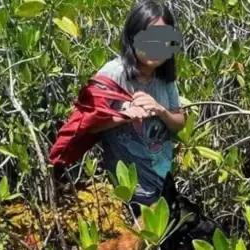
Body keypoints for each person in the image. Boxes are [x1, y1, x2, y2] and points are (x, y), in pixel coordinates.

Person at [89, 0, 186, 216]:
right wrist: (124, 116)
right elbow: (87, 124)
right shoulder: (113, 74)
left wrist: (161, 111)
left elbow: (179, 123)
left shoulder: (165, 78)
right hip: (130, 191)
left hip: (163, 183)